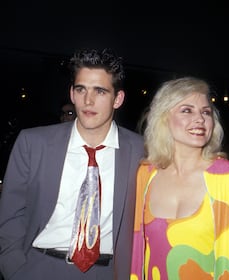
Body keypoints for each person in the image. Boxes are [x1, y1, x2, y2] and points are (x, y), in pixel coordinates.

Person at [0, 48, 145, 280]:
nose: (88, 100)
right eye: (81, 89)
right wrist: (16, 269)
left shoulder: (142, 151)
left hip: (109, 272)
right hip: (38, 268)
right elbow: (9, 215)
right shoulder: (33, 143)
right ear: (72, 93)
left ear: (118, 99)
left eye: (100, 91)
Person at [130, 76, 229, 280]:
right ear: (163, 118)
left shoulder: (228, 179)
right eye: (187, 110)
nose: (200, 119)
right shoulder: (146, 174)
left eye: (205, 112)